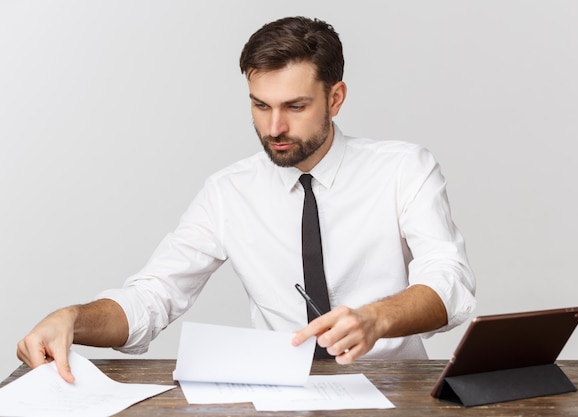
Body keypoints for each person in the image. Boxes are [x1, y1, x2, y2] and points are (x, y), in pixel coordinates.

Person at [17, 16, 476, 383]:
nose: (274, 127)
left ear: (335, 99)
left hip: (397, 387)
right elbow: (154, 296)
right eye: (260, 105)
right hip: (278, 391)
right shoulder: (228, 191)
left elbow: (449, 283)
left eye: (295, 107)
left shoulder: (403, 168)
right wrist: (73, 318)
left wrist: (375, 319)